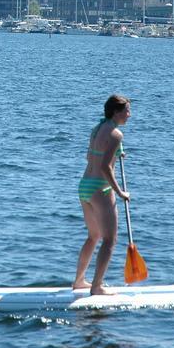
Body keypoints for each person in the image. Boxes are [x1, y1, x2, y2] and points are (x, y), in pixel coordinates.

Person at [73, 94, 132, 295]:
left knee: (94, 236)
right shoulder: (116, 135)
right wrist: (120, 192)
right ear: (116, 111)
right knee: (109, 239)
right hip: (101, 189)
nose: (129, 115)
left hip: (84, 186)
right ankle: (97, 287)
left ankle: (79, 281)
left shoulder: (97, 128)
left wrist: (117, 153)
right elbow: (106, 168)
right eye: (126, 111)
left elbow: (91, 155)